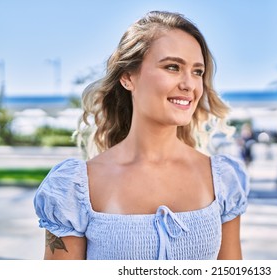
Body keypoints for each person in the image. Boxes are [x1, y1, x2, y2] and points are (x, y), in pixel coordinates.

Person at [34, 10, 250, 260]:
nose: (189, 84)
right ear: (128, 77)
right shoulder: (75, 188)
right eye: (172, 67)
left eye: (197, 72)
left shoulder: (222, 180)